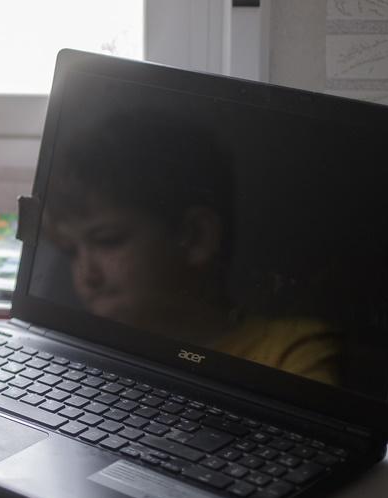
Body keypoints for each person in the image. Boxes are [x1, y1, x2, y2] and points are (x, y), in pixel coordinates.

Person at [41, 107, 340, 384]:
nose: (86, 276)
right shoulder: (94, 350)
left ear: (196, 237)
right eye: (71, 252)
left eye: (108, 241)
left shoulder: (291, 354)